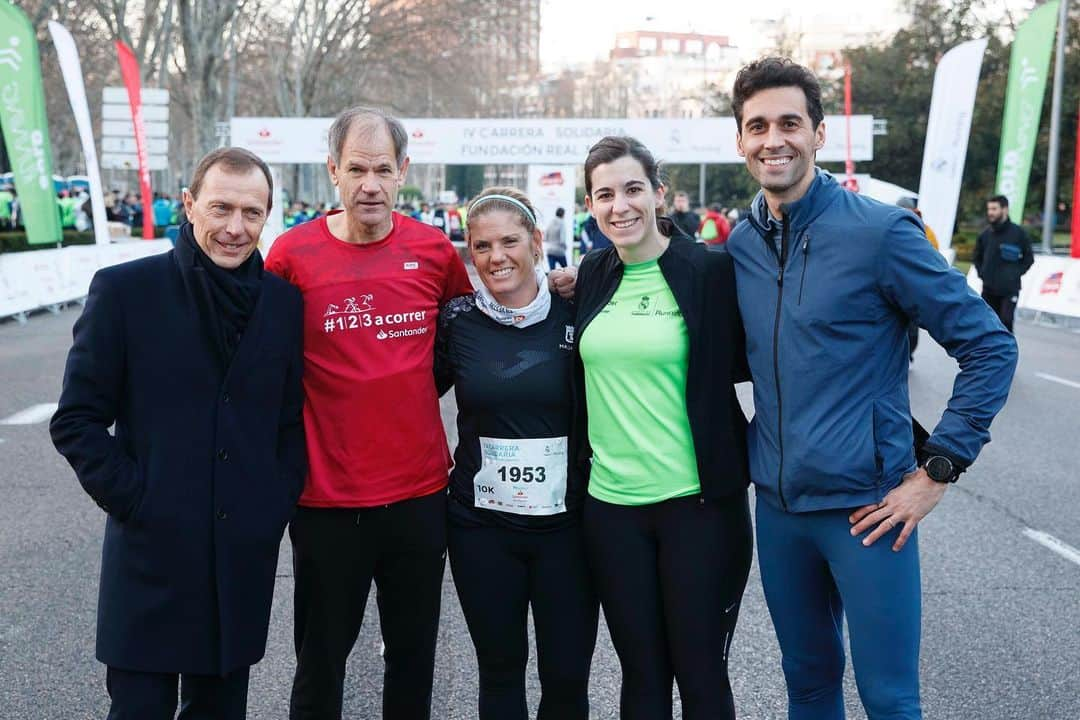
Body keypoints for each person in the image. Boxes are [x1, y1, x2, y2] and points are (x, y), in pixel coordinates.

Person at [725, 57, 1018, 720]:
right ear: (740, 141)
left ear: (819, 133)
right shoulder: (741, 243)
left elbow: (990, 346)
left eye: (790, 123)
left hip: (866, 508)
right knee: (806, 681)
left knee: (888, 698)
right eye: (759, 126)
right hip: (777, 506)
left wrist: (939, 468)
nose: (775, 139)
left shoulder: (881, 233)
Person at [265, 106, 578, 720]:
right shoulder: (291, 256)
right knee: (320, 660)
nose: (370, 184)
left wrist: (573, 283)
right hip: (327, 501)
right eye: (356, 169)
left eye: (383, 169)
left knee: (412, 658)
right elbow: (264, 364)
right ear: (333, 170)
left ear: (403, 171)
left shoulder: (433, 252)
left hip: (419, 497)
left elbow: (474, 342)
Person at [50, 147, 306, 719]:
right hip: (151, 555)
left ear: (268, 216)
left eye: (251, 212)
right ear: (190, 206)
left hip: (240, 555)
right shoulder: (125, 292)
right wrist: (136, 499)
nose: (235, 229)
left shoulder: (283, 306)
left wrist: (272, 502)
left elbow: (289, 421)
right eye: (220, 208)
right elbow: (76, 418)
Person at [573, 136, 753, 719]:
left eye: (631, 189)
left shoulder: (710, 272)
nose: (619, 206)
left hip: (696, 507)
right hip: (611, 510)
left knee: (700, 674)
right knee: (641, 677)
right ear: (591, 205)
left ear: (658, 193)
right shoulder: (593, 274)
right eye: (604, 195)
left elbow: (778, 360)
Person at [435, 187, 598, 720]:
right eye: (481, 247)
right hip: (482, 529)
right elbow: (402, 388)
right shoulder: (456, 320)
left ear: (534, 241)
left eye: (509, 241)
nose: (496, 257)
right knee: (500, 672)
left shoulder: (579, 308)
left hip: (567, 527)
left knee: (567, 678)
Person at [974, 195, 1034, 332]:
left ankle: (1007, 353)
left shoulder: (1019, 234)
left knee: (1005, 322)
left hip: (1009, 290)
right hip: (988, 289)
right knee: (987, 325)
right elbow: (977, 257)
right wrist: (983, 273)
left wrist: (1014, 274)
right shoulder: (984, 235)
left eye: (994, 209)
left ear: (1005, 209)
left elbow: (1029, 258)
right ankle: (989, 353)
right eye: (989, 209)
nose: (990, 212)